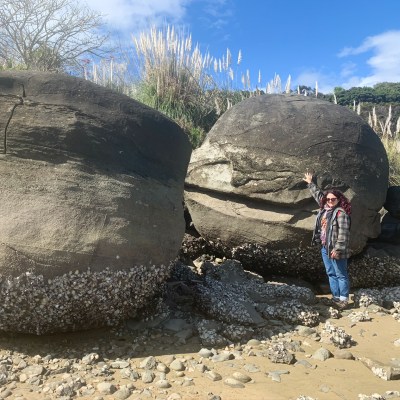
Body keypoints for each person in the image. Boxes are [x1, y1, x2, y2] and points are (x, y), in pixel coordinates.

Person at [303, 171, 352, 310]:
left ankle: (343, 299)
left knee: (341, 274)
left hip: (336, 249)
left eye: (333, 199)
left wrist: (337, 250)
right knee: (330, 273)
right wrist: (310, 183)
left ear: (338, 200)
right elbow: (318, 195)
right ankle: (335, 298)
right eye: (328, 199)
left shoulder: (340, 213)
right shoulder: (324, 209)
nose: (330, 201)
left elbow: (343, 234)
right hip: (325, 247)